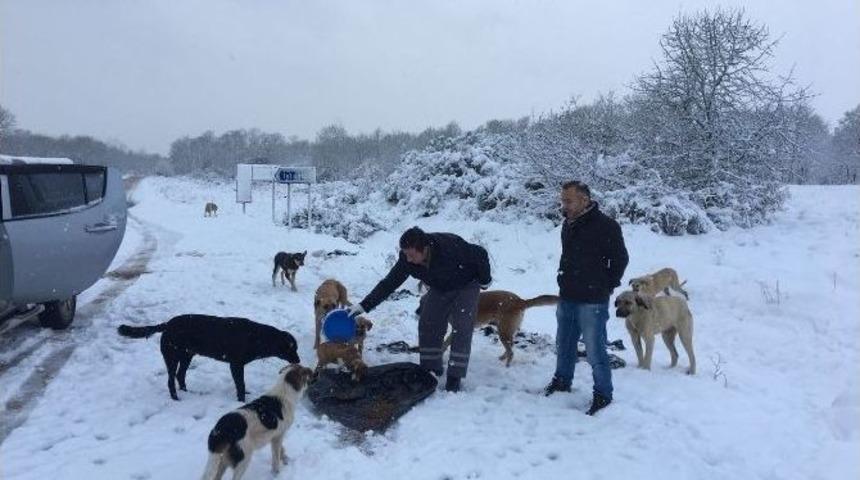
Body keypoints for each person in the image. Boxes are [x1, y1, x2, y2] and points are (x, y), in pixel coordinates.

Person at [348, 227, 491, 392]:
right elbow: (389, 283)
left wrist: (485, 280)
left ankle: (455, 376)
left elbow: (480, 253)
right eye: (405, 254)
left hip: (467, 283)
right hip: (440, 286)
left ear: (424, 249)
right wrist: (364, 305)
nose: (407, 259)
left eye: (411, 255)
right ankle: (431, 367)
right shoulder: (407, 259)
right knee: (428, 321)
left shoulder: (450, 247)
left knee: (462, 326)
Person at [544, 181, 628, 416]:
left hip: (593, 299)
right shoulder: (568, 224)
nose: (564, 205)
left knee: (595, 348)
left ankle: (603, 393)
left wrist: (606, 284)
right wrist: (563, 278)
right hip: (568, 294)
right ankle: (562, 380)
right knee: (564, 343)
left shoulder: (606, 226)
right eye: (563, 200)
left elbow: (620, 259)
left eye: (568, 201)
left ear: (584, 200)